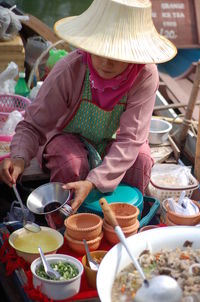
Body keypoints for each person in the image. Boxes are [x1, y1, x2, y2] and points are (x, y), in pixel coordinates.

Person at [0, 0, 177, 213]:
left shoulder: (145, 75)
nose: (106, 62)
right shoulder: (70, 69)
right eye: (100, 50)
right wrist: (19, 158)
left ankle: (126, 223)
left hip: (117, 142)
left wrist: (94, 182)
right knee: (71, 163)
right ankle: (65, 224)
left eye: (117, 54)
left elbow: (131, 139)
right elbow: (33, 124)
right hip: (66, 138)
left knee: (140, 160)